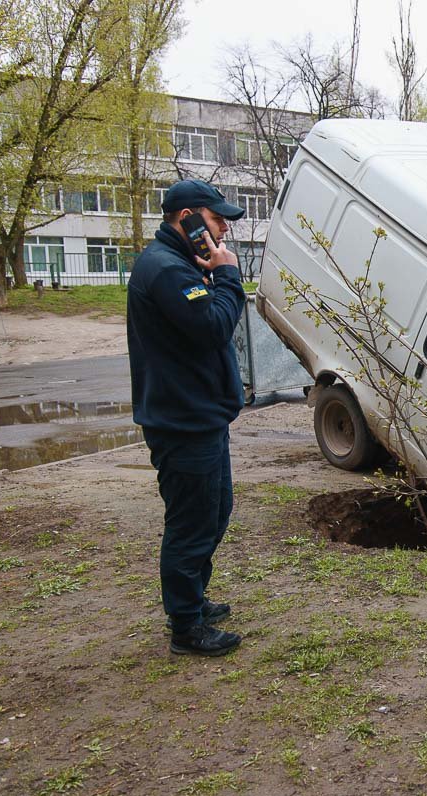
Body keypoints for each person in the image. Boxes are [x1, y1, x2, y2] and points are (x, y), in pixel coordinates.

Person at [127, 179, 248, 657]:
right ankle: (185, 626)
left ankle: (193, 600)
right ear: (189, 217)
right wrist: (228, 275)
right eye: (217, 220)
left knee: (215, 509)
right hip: (182, 420)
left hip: (200, 415)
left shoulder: (180, 262)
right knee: (191, 522)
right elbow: (213, 327)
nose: (222, 231)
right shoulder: (166, 270)